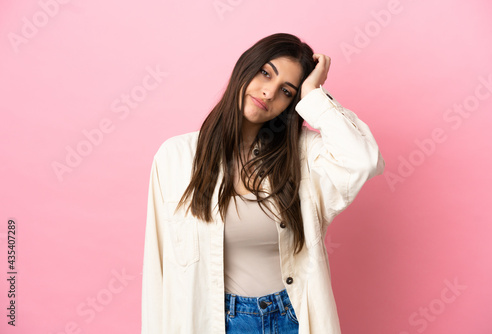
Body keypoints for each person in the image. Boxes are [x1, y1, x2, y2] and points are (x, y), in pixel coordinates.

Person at [141, 33, 385, 334]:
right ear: (245, 67)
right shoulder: (175, 158)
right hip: (219, 322)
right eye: (265, 73)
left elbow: (364, 160)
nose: (269, 92)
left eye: (286, 90)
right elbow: (157, 269)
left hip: (290, 319)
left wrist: (313, 94)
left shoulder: (304, 155)